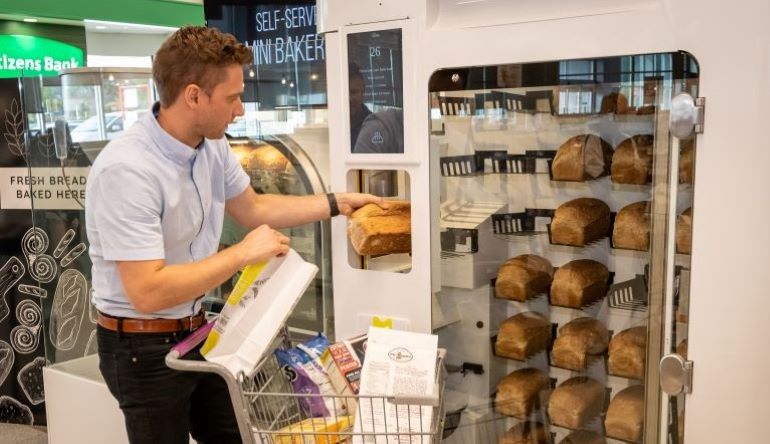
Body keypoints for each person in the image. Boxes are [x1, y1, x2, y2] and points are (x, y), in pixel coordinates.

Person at [85, 26, 383, 444]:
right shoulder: (128, 169)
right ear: (193, 96)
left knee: (234, 435)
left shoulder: (212, 147)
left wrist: (337, 203)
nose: (240, 110)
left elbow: (255, 208)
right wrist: (242, 254)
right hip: (140, 348)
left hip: (197, 330)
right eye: (232, 98)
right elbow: (147, 292)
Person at [348, 63, 371, 149]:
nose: (349, 98)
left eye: (353, 92)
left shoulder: (375, 125)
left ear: (363, 91)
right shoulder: (333, 125)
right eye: (344, 93)